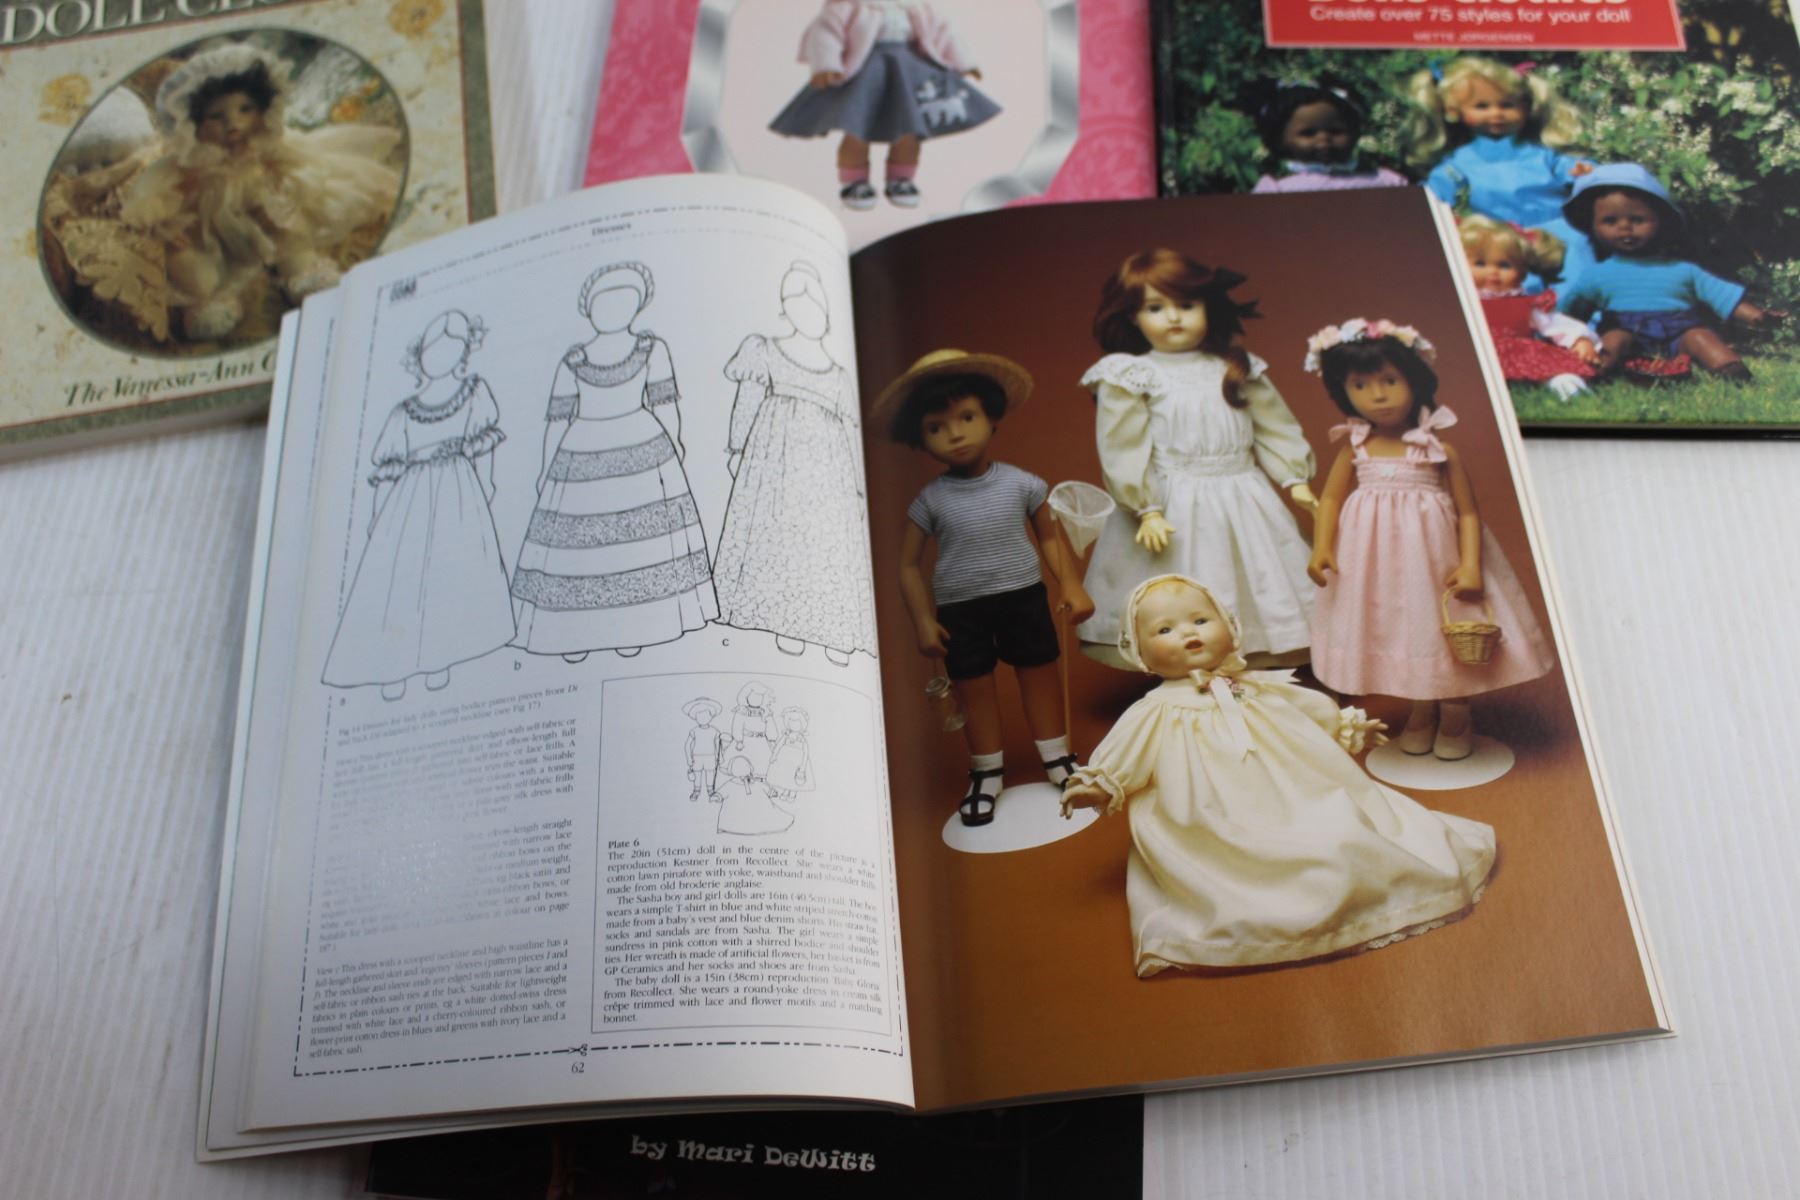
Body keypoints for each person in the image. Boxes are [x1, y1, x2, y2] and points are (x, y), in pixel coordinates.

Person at [1061, 575, 1495, 977]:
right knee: (1235, 864)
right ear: (1139, 651)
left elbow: (1303, 710)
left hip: (1294, 789)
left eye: (1201, 620)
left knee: (1340, 829)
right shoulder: (1156, 710)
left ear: (1229, 625)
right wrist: (1096, 784)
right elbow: (1125, 753)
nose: (1189, 633)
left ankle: (1348, 871)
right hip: (1213, 813)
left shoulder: (1254, 685)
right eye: (1164, 629)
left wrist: (1345, 726)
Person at [1304, 318, 1556, 760]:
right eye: (1361, 385)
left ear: (1414, 380)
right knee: (1398, 629)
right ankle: (1421, 709)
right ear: (1344, 392)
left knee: (1439, 627)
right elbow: (1329, 499)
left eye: (1389, 381)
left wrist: (1471, 564)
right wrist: (1322, 546)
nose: (1378, 395)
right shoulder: (1355, 449)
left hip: (1435, 558)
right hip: (1373, 562)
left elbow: (1469, 512)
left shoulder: (1437, 449)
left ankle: (1456, 710)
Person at [45, 42, 401, 344]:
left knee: (288, 228)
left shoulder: (264, 145)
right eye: (218, 116)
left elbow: (293, 158)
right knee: (195, 264)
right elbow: (154, 187)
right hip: (207, 223)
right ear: (193, 124)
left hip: (264, 204)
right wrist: (157, 215)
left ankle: (301, 268)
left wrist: (293, 182)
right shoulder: (185, 163)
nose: (234, 124)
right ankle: (210, 299)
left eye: (245, 110)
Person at [875, 349, 1094, 826]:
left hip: (1023, 597)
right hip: (961, 609)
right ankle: (987, 771)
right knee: (972, 687)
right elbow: (907, 565)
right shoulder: (930, 500)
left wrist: (1071, 584)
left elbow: (1049, 537)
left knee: (1039, 674)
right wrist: (923, 620)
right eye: (936, 427)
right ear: (920, 437)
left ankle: (1057, 757)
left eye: (967, 417)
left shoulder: (1022, 484)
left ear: (991, 417)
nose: (955, 434)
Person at [1077, 249, 1318, 664]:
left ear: (1208, 306)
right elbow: (1123, 445)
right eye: (1155, 308)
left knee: (1258, 574)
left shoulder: (1235, 365)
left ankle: (1253, 658)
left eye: (1186, 305)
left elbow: (1274, 426)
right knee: (1182, 580)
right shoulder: (1132, 374)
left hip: (1244, 495)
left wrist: (1295, 479)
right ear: (1133, 316)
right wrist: (1146, 507)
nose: (1173, 317)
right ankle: (1184, 664)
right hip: (1172, 502)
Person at [510, 262, 717, 659]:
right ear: (587, 307)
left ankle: (635, 627)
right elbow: (557, 420)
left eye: (625, 300)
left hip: (643, 447)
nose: (614, 309)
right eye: (604, 301)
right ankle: (570, 634)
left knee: (638, 543)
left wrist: (675, 444)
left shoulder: (651, 349)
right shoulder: (573, 360)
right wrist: (545, 467)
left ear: (638, 306)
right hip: (582, 451)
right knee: (580, 546)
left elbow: (665, 403)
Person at [321, 310, 513, 700]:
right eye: (431, 349)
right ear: (419, 355)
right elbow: (388, 470)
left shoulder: (474, 393)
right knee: (401, 581)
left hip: (457, 493)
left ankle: (441, 658)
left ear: (464, 353)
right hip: (409, 502)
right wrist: (377, 515)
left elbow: (483, 446)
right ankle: (392, 668)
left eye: (450, 348)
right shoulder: (403, 412)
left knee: (448, 575)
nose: (439, 356)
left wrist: (487, 484)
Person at [713, 262, 875, 664]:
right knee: (781, 539)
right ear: (785, 309)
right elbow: (747, 401)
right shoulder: (765, 350)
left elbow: (850, 431)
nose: (808, 314)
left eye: (814, 306)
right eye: (797, 304)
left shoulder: (838, 374)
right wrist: (736, 450)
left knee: (823, 544)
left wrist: (858, 488)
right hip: (776, 462)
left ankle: (834, 631)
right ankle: (786, 624)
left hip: (828, 469)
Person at [1556, 163, 1786, 382]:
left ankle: (1730, 369)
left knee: (1701, 337)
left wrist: (1756, 316)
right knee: (1613, 340)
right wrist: (1558, 334)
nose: (1624, 227)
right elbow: (1570, 313)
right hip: (1628, 337)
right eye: (1610, 220)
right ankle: (1596, 370)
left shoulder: (1682, 269)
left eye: (1637, 219)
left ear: (1660, 221)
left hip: (1680, 336)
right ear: (1593, 225)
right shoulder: (1597, 275)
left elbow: (1720, 294)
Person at [770, 0, 1000, 210]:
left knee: (908, 130)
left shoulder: (916, 6)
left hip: (908, 71)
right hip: (865, 71)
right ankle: (855, 182)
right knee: (857, 128)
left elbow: (943, 33)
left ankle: (901, 179)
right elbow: (825, 32)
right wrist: (826, 64)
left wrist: (964, 62)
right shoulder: (849, 6)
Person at [1403, 57, 1595, 292]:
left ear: (1526, 108)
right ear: (1454, 111)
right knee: (1514, 286)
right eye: (1482, 106)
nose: (1496, 114)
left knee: (1574, 280)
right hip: (1504, 241)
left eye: (1507, 105)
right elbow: (1437, 193)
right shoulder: (1460, 162)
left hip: (1561, 233)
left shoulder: (1540, 154)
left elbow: (1567, 167)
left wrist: (1580, 171)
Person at [1458, 215, 1598, 400]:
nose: (1493, 272)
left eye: (1504, 265)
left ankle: (1568, 387)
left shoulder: (1526, 303)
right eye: (1480, 263)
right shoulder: (1458, 299)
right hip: (1474, 353)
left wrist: (1579, 339)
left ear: (1523, 272)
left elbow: (1554, 323)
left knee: (1555, 368)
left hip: (1518, 352)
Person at [1245, 78, 1408, 194]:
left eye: (1336, 131)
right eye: (1308, 133)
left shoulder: (1386, 182)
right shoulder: (1278, 190)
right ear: (1280, 140)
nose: (1324, 140)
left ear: (1355, 133)